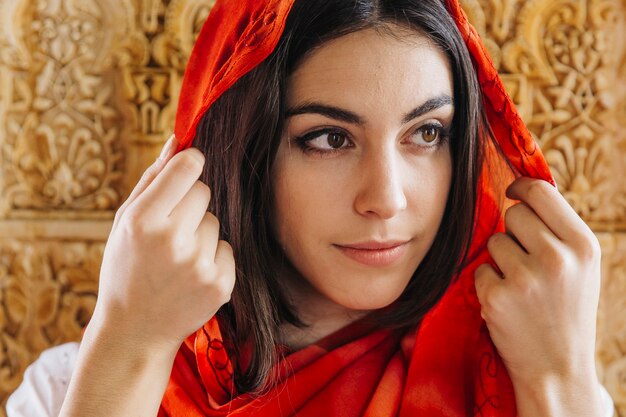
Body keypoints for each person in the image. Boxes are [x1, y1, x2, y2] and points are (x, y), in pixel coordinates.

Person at [7, 0, 615, 416]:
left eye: (427, 133)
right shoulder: (77, 386)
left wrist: (560, 383)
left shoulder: (527, 381)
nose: (388, 199)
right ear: (239, 153)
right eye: (329, 138)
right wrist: (129, 343)